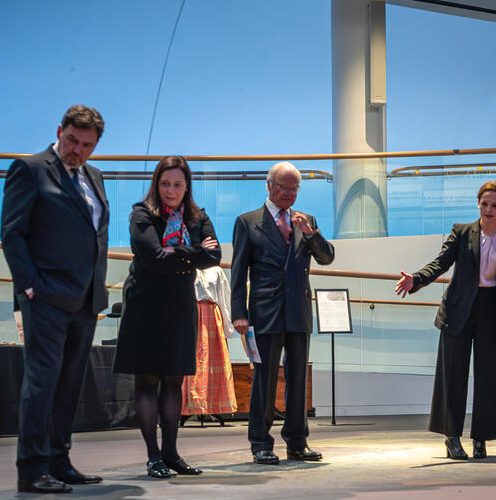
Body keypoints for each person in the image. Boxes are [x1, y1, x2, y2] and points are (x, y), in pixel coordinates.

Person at [395, 181, 496, 460]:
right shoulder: (461, 232)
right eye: (485, 204)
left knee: (489, 379)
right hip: (458, 311)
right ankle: (452, 438)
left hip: (490, 311)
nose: (489, 209)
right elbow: (440, 263)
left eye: (495, 205)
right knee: (452, 376)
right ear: (477, 204)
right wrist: (415, 280)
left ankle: (482, 438)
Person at [0, 105, 109, 494]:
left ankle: (59, 461)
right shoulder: (29, 169)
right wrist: (30, 287)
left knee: (69, 386)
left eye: (86, 145)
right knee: (41, 382)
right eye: (72, 141)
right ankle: (31, 469)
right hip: (45, 296)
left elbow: (95, 233)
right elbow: (12, 234)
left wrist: (98, 286)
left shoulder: (94, 176)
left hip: (85, 299)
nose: (77, 150)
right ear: (59, 131)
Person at [114, 156, 222, 478]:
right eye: (165, 184)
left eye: (177, 184)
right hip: (146, 305)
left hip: (178, 304)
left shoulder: (197, 217)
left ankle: (172, 453)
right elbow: (153, 258)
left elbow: (214, 256)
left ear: (186, 185)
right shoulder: (142, 214)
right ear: (156, 184)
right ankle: (153, 456)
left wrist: (177, 251)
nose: (170, 190)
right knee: (148, 380)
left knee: (175, 380)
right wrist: (192, 254)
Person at [230, 162, 335, 465]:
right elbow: (238, 274)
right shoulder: (248, 222)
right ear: (269, 186)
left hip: (299, 311)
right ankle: (261, 442)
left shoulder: (307, 221)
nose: (289, 193)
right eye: (283, 187)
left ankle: (297, 442)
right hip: (264, 313)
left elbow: (326, 257)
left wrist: (311, 233)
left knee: (298, 378)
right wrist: (239, 313)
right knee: (264, 379)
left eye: (294, 188)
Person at [182, 265, 238, 425]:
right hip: (191, 313)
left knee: (213, 362)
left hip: (212, 317)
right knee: (193, 360)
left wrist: (228, 327)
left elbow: (224, 298)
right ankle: (191, 405)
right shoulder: (186, 267)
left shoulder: (217, 271)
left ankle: (212, 405)